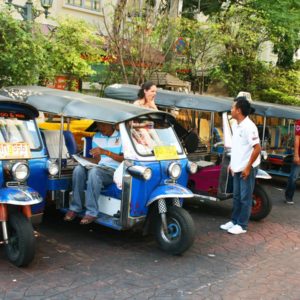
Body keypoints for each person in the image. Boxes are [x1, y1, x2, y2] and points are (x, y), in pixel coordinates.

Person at [64, 122, 123, 224]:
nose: (101, 128)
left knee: (94, 172)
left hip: (113, 171)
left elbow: (124, 159)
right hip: (98, 168)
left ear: (112, 125)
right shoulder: (97, 137)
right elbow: (97, 161)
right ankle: (75, 207)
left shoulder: (121, 137)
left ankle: (91, 212)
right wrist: (81, 159)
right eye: (99, 125)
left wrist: (106, 152)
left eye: (104, 125)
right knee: (78, 169)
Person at [220, 97, 261, 234]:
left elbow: (257, 148)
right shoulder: (237, 125)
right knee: (237, 196)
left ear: (238, 110)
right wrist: (232, 164)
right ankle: (234, 221)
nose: (231, 109)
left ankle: (242, 225)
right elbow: (238, 148)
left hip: (246, 169)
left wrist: (248, 167)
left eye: (232, 107)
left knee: (245, 197)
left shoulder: (249, 127)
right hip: (237, 167)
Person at [285, 119, 300, 204]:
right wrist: (296, 155)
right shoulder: (299, 122)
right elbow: (297, 138)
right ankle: (289, 196)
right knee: (293, 177)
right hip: (299, 156)